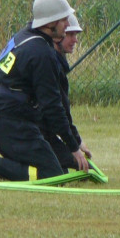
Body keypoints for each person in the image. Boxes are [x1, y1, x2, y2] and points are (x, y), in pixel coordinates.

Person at [0, 0, 89, 186]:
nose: (67, 25)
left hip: (0, 120)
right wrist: (73, 147)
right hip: (13, 127)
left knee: (61, 168)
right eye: (64, 20)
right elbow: (53, 107)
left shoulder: (24, 36)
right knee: (53, 176)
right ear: (51, 23)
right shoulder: (41, 53)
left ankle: (8, 169)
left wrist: (72, 145)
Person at [48, 12, 92, 170]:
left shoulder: (57, 62)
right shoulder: (49, 63)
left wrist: (77, 142)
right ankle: (1, 167)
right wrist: (74, 146)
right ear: (57, 36)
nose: (75, 40)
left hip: (42, 130)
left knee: (83, 167)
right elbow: (57, 111)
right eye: (70, 34)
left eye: (76, 34)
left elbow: (63, 111)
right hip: (30, 130)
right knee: (56, 172)